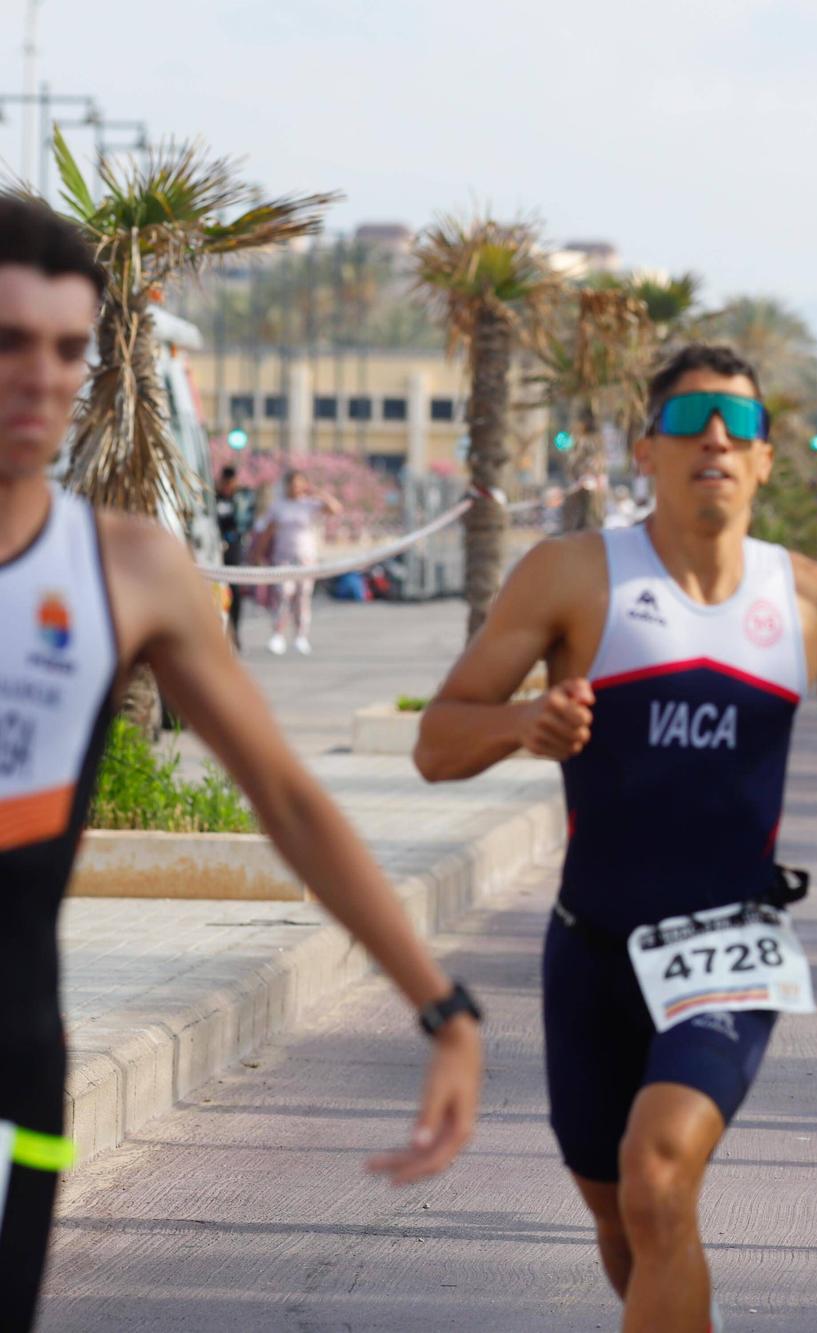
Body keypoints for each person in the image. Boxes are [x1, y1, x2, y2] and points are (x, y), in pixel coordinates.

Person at [0, 195, 481, 1330]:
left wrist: (440, 1005)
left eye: (69, 348)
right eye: (10, 341)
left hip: (13, 1078)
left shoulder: (128, 569)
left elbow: (291, 799)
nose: (44, 376)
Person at [414, 343, 817, 1331]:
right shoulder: (571, 576)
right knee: (623, 1215)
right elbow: (436, 740)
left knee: (656, 1171)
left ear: (766, 459)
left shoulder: (814, 598)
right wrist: (521, 724)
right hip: (591, 947)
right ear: (646, 449)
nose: (713, 437)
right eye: (687, 420)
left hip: (730, 943)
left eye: (738, 424)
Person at [252, 470, 342, 656]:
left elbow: (335, 509)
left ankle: (301, 637)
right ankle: (277, 635)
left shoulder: (310, 505)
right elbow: (267, 532)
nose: (295, 487)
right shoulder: (278, 506)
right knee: (283, 594)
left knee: (303, 597)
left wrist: (317, 492)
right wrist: (258, 555)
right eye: (292, 483)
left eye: (299, 483)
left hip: (305, 557)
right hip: (283, 556)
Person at [213, 465, 254, 651]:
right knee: (216, 589)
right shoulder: (213, 497)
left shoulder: (243, 497)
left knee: (235, 590)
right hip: (214, 546)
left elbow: (246, 521)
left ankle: (234, 630)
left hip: (234, 547)